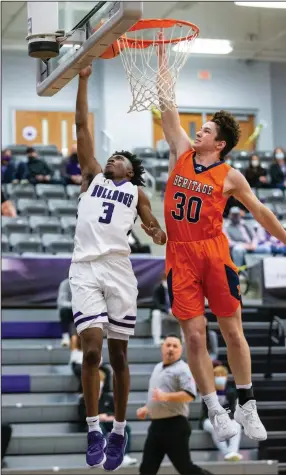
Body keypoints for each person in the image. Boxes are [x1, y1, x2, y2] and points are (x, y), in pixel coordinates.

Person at [154, 35, 286, 444]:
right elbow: (168, 107)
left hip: (214, 253)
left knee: (233, 332)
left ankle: (246, 404)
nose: (198, 131)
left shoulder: (231, 176)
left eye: (206, 129)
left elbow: (261, 212)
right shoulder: (180, 150)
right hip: (179, 255)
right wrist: (162, 54)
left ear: (220, 143)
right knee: (194, 335)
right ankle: (214, 407)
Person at [70, 64, 166, 471]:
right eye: (112, 155)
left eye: (121, 158)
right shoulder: (92, 175)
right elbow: (80, 125)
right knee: (91, 351)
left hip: (119, 270)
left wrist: (157, 231)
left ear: (130, 170)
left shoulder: (137, 192)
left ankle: (120, 428)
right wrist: (84, 78)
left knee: (120, 356)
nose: (114, 157)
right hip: (85, 268)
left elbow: (152, 228)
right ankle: (94, 427)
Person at [137, 334, 211, 475]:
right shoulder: (158, 367)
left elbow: (189, 395)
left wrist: (166, 396)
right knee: (146, 469)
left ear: (181, 350)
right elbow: (156, 397)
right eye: (168, 345)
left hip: (175, 425)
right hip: (156, 426)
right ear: (162, 347)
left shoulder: (183, 369)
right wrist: (147, 408)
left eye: (175, 346)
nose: (170, 348)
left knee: (185, 468)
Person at [201, 365, 242, 462]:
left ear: (226, 377)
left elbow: (232, 410)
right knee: (215, 425)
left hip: (227, 418)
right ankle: (226, 453)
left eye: (222, 375)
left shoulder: (231, 391)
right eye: (217, 375)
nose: (220, 377)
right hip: (208, 420)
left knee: (237, 425)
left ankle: (233, 452)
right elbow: (206, 411)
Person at [151, 273, 181, 345]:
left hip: (175, 314)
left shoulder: (177, 289)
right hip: (164, 313)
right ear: (162, 280)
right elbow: (156, 304)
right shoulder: (158, 289)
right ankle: (156, 339)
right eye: (165, 280)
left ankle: (184, 339)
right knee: (156, 314)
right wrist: (167, 310)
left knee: (185, 314)